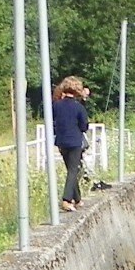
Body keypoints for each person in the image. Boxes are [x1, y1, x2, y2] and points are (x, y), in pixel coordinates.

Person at [51, 76, 92, 211]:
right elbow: (84, 126)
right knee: (74, 170)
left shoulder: (56, 105)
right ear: (77, 91)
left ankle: (78, 199)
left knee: (71, 169)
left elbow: (53, 122)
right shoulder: (78, 107)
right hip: (74, 141)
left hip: (61, 141)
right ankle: (66, 199)